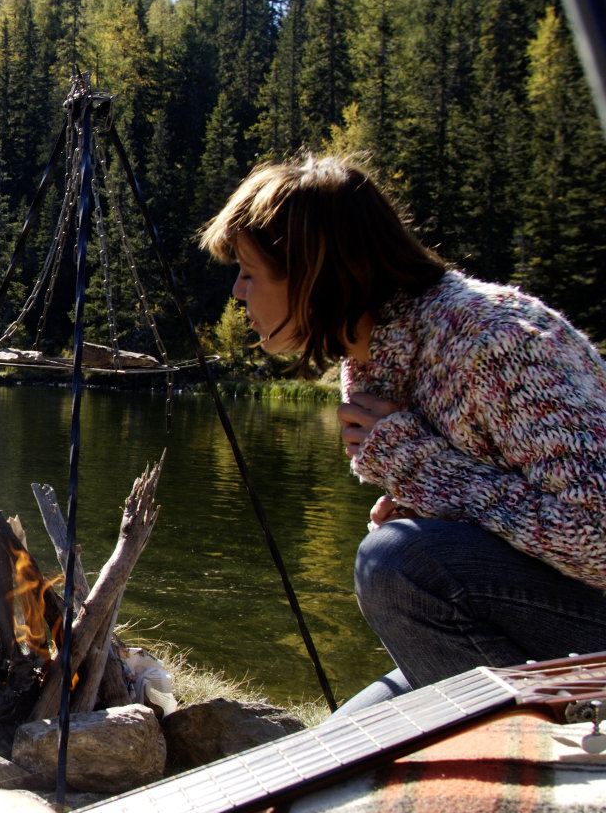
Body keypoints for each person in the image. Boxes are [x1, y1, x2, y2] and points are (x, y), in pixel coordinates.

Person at [199, 155, 606, 710]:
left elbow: (596, 534)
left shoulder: (495, 341)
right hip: (556, 622)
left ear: (316, 275)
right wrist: (436, 511)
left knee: (397, 564)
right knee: (338, 750)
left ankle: (551, 748)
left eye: (249, 272)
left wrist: (426, 473)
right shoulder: (375, 356)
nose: (238, 294)